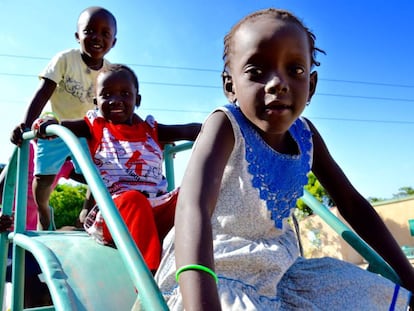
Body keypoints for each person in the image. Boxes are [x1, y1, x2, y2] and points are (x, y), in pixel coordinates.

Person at [153, 8, 414, 310]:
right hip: (218, 263)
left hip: (281, 268)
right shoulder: (225, 125)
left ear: (312, 86)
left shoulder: (306, 136)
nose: (278, 82)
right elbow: (193, 206)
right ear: (230, 86)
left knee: (367, 290)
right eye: (256, 71)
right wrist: (201, 299)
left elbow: (352, 204)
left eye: (296, 70)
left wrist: (408, 278)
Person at [34, 64, 201, 273]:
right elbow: (62, 126)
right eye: (106, 95)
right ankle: (149, 280)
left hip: (155, 208)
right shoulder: (96, 127)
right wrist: (48, 122)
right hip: (114, 215)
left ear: (137, 100)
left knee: (192, 194)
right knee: (134, 200)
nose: (116, 100)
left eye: (125, 93)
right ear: (96, 103)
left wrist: (221, 126)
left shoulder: (152, 130)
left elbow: (188, 129)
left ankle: (202, 266)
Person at [10, 6, 117, 230]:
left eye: (105, 33)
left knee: (101, 173)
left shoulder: (110, 73)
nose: (97, 37)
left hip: (87, 131)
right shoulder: (65, 60)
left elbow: (117, 108)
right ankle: (43, 208)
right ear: (78, 36)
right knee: (43, 180)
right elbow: (42, 93)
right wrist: (27, 126)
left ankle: (85, 214)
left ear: (113, 42)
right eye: (90, 31)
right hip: (56, 127)